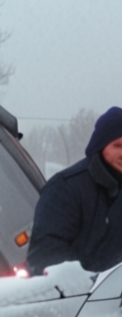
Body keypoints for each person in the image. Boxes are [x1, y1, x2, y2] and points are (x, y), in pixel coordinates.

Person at [27, 107, 122, 275]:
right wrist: (87, 285)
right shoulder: (65, 189)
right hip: (79, 295)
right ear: (101, 146)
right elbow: (46, 256)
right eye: (118, 145)